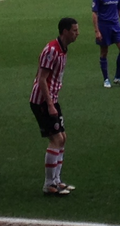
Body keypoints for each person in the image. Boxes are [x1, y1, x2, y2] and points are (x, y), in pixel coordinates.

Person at [30, 17, 79, 195]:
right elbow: (41, 78)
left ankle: (57, 181)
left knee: (62, 137)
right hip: (42, 101)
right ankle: (49, 184)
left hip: (51, 99)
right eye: (74, 30)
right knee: (56, 139)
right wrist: (50, 104)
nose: (77, 33)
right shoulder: (52, 50)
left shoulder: (62, 49)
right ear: (65, 31)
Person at [92, 0, 120, 88]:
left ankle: (118, 76)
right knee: (104, 52)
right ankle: (106, 79)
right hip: (103, 26)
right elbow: (94, 13)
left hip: (115, 25)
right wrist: (97, 31)